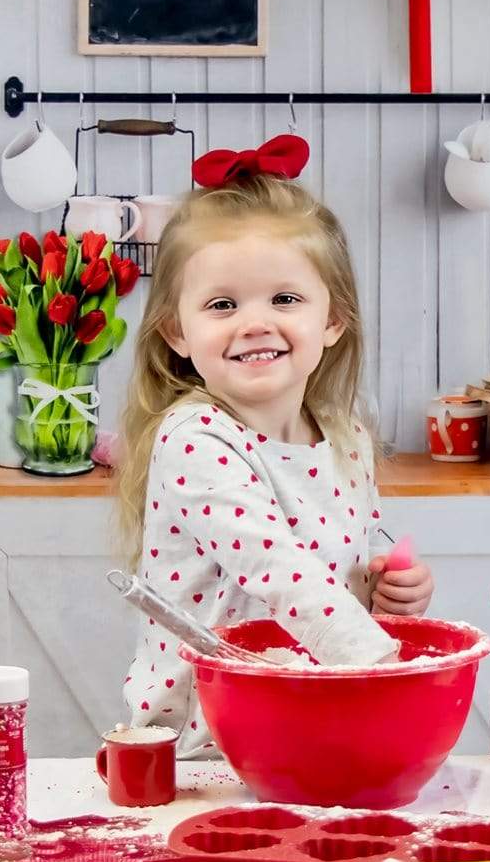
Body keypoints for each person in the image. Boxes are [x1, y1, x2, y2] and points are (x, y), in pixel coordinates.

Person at [116, 157, 435, 755]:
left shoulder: (346, 438)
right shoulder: (195, 439)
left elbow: (343, 565)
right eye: (222, 306)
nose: (255, 323)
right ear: (175, 332)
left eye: (285, 298)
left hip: (317, 715)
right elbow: (277, 569)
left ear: (333, 318)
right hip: (208, 743)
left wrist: (386, 591)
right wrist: (381, 663)